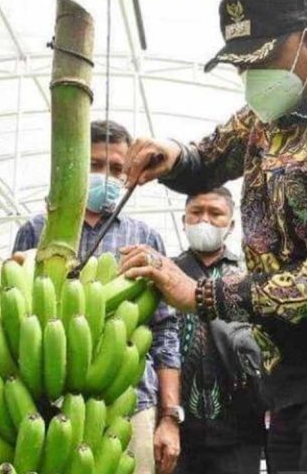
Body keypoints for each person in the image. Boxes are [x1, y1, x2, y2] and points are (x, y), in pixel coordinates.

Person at [118, 0, 307, 472]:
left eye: (263, 62)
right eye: (241, 66)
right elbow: (208, 158)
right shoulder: (267, 117)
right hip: (292, 373)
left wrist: (203, 294)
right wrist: (172, 158)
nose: (251, 78)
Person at [13, 120, 181, 474]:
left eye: (117, 168)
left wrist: (170, 418)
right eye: (95, 164)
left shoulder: (145, 237)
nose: (105, 175)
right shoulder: (37, 231)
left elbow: (165, 331)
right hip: (49, 398)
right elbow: (16, 315)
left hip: (130, 396)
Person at [172, 187, 264, 474]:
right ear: (183, 219)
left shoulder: (250, 276)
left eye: (215, 213)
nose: (204, 220)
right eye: (196, 212)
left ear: (232, 224)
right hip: (179, 429)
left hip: (239, 428)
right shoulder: (169, 274)